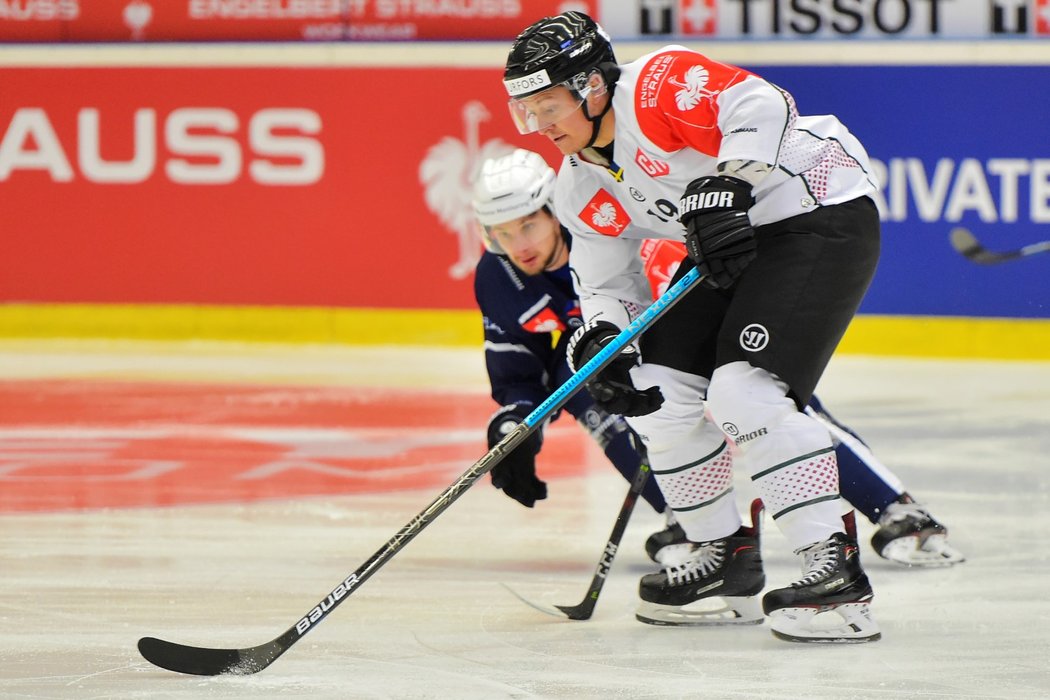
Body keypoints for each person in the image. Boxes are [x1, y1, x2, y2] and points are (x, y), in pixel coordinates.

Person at [500, 11, 898, 643]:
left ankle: (835, 575)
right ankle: (725, 556)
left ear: (593, 88)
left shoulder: (657, 86)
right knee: (655, 393)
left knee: (743, 393)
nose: (539, 126)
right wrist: (606, 341)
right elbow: (606, 287)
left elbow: (761, 104)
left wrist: (729, 181)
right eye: (527, 112)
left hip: (815, 209)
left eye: (548, 105)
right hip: (725, 243)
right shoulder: (580, 185)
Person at [473, 149, 964, 572]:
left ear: (553, 211)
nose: (520, 246)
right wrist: (516, 423)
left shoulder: (603, 235)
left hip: (697, 322)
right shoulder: (499, 278)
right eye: (502, 234)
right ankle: (692, 522)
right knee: (590, 385)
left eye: (529, 225)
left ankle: (894, 507)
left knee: (767, 397)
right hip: (620, 350)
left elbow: (684, 301)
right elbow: (518, 362)